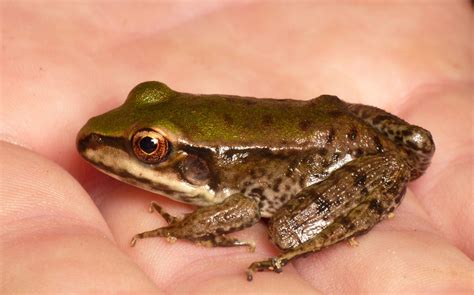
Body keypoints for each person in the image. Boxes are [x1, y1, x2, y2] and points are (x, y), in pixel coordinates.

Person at [1, 1, 472, 293]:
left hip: (334, 160)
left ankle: (381, 179)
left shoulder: (224, 184)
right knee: (401, 142)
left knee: (288, 231)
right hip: (331, 123)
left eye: (147, 147)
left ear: (191, 165)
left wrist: (185, 229)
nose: (121, 144)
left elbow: (243, 206)